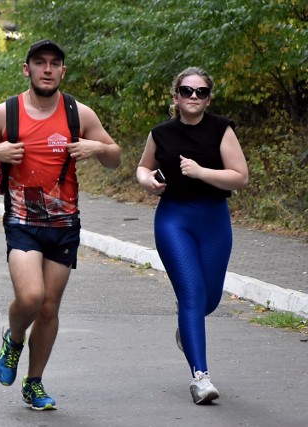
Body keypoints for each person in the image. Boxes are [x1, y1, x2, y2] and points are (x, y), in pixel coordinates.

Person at [0, 39, 121, 410]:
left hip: (64, 224)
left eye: (54, 63)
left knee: (49, 308)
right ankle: (14, 339)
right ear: (27, 69)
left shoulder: (78, 113)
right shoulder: (6, 113)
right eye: (39, 62)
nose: (47, 69)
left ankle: (34, 383)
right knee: (31, 297)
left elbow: (114, 157)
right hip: (22, 221)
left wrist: (96, 149)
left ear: (63, 71)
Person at [136, 67, 248, 404]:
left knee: (208, 300)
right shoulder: (161, 133)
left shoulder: (221, 129)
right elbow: (142, 167)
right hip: (174, 219)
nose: (193, 97)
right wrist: (147, 181)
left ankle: (187, 326)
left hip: (214, 219)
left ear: (209, 97)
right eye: (187, 91)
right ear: (176, 97)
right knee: (192, 295)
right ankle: (200, 377)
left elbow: (240, 177)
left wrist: (201, 172)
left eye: (201, 92)